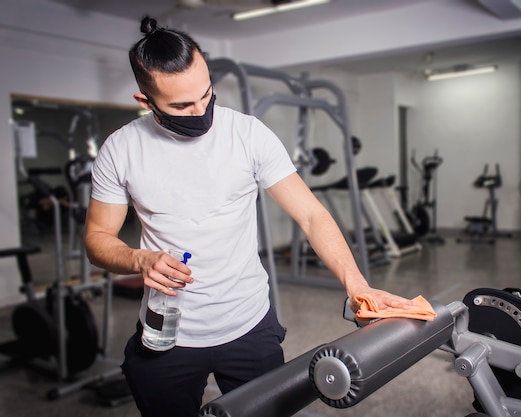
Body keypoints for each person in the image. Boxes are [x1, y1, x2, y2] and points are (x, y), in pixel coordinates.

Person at [84, 16, 416, 417]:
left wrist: (358, 285)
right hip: (167, 332)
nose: (201, 111)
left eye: (206, 95)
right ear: (145, 100)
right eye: (182, 105)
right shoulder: (121, 151)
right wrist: (139, 259)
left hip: (248, 326)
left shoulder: (248, 134)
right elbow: (98, 238)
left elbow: (311, 215)